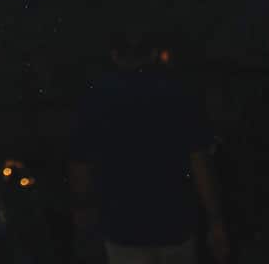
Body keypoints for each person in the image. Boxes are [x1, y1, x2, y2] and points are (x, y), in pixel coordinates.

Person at [69, 31, 229, 264]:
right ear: (154, 53)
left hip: (123, 229)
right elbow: (200, 163)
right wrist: (215, 220)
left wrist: (83, 222)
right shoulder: (180, 94)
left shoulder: (95, 100)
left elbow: (79, 168)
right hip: (176, 225)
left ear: (114, 55)